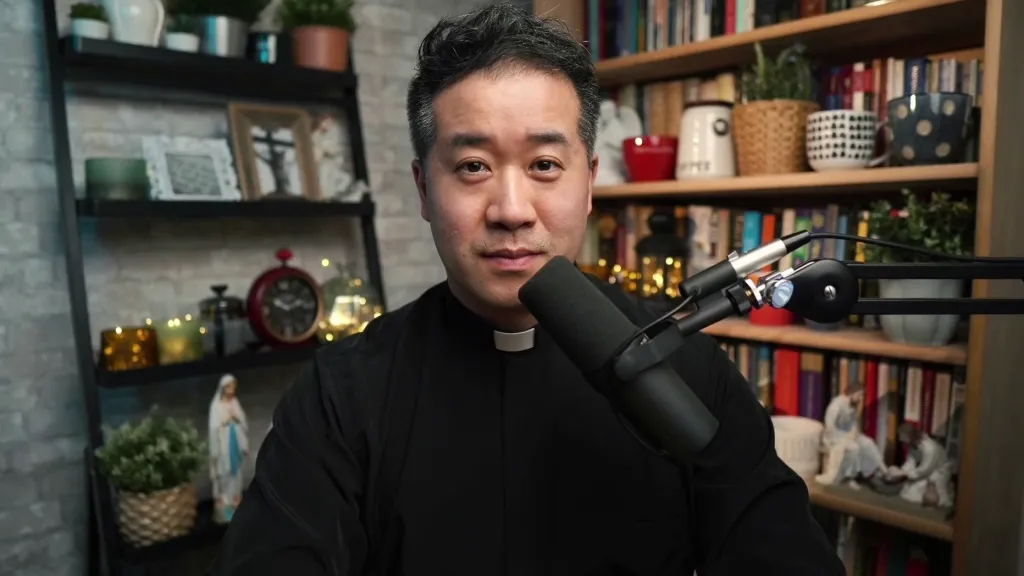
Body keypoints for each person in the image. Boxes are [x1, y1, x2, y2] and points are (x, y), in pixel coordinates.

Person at [213, 5, 844, 574]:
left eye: (545, 165)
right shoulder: (341, 395)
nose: (511, 209)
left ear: (589, 182)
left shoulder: (686, 368)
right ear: (424, 189)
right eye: (473, 167)